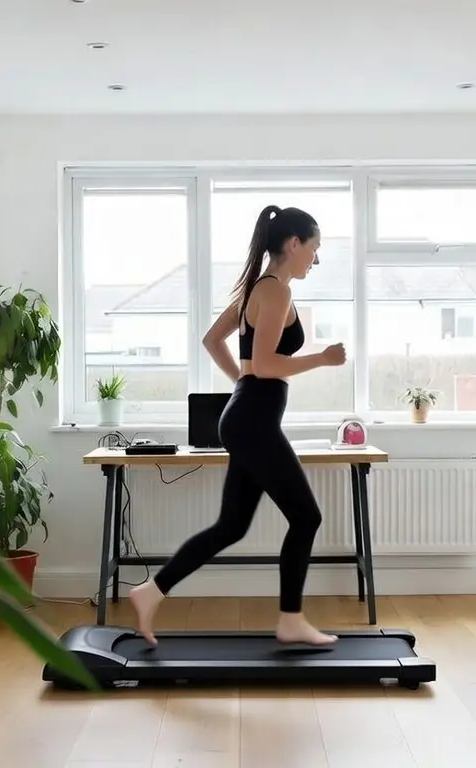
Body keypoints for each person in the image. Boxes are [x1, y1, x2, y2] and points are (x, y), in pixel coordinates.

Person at [126, 205, 347, 647]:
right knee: (306, 516)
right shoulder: (276, 292)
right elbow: (265, 363)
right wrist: (321, 359)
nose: (316, 259)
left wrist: (243, 384)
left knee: (232, 526)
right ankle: (290, 619)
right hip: (254, 419)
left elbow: (214, 341)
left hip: (247, 415)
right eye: (315, 249)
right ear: (293, 244)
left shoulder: (255, 290)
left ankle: (151, 591)